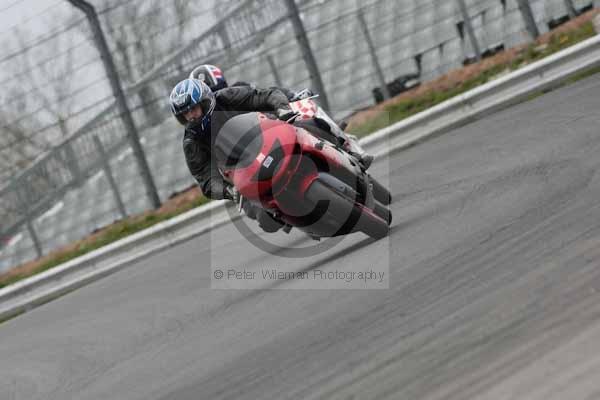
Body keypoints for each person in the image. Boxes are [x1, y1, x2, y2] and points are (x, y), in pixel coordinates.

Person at [169, 76, 372, 231]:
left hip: (270, 136)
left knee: (310, 123)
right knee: (265, 220)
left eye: (193, 109)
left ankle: (346, 148)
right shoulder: (191, 142)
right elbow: (205, 177)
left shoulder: (227, 97)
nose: (191, 116)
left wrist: (282, 110)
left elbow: (262, 95)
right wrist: (228, 190)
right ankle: (303, 221)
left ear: (205, 101)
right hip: (244, 171)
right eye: (185, 113)